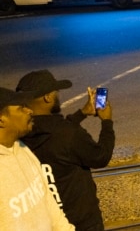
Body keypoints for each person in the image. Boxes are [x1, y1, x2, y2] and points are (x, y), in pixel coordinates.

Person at [14, 70, 114, 231]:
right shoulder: (69, 135)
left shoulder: (19, 134)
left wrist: (81, 114)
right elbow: (101, 157)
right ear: (47, 97)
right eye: (56, 92)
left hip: (47, 222)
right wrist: (107, 122)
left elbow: (54, 129)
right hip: (81, 222)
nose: (57, 95)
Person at [1, 87, 75, 230]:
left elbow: (48, 200)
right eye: (21, 108)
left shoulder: (22, 148)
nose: (30, 111)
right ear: (1, 119)